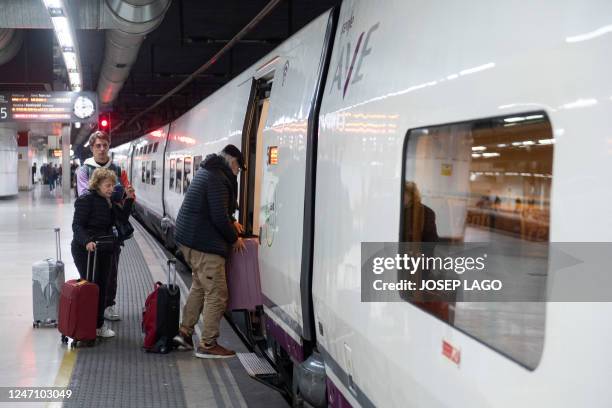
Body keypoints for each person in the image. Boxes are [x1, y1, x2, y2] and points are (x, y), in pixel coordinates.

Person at [172, 144, 246, 358]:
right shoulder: (218, 178)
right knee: (217, 293)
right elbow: (218, 217)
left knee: (199, 286)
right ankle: (208, 344)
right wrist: (234, 238)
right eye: (238, 169)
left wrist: (232, 221)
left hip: (191, 239)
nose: (238, 173)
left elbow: (216, 208)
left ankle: (184, 333)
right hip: (203, 243)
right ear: (232, 163)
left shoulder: (209, 171)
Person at [76, 131, 135, 322]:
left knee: (112, 270)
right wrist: (116, 195)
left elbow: (127, 193)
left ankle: (109, 304)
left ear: (109, 146)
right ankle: (93, 308)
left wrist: (120, 195)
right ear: (92, 147)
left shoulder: (118, 169)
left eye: (105, 145)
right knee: (91, 273)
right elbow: (87, 194)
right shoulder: (84, 170)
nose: (102, 149)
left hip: (112, 229)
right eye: (98, 146)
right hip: (91, 229)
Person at [71, 168, 135, 338]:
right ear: (97, 184)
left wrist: (128, 200)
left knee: (102, 288)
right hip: (86, 251)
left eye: (113, 186)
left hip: (105, 248)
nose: (111, 189)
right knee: (92, 287)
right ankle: (89, 325)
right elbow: (77, 226)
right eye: (107, 185)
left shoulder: (109, 201)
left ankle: (98, 326)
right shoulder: (86, 200)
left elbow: (121, 219)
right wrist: (86, 241)